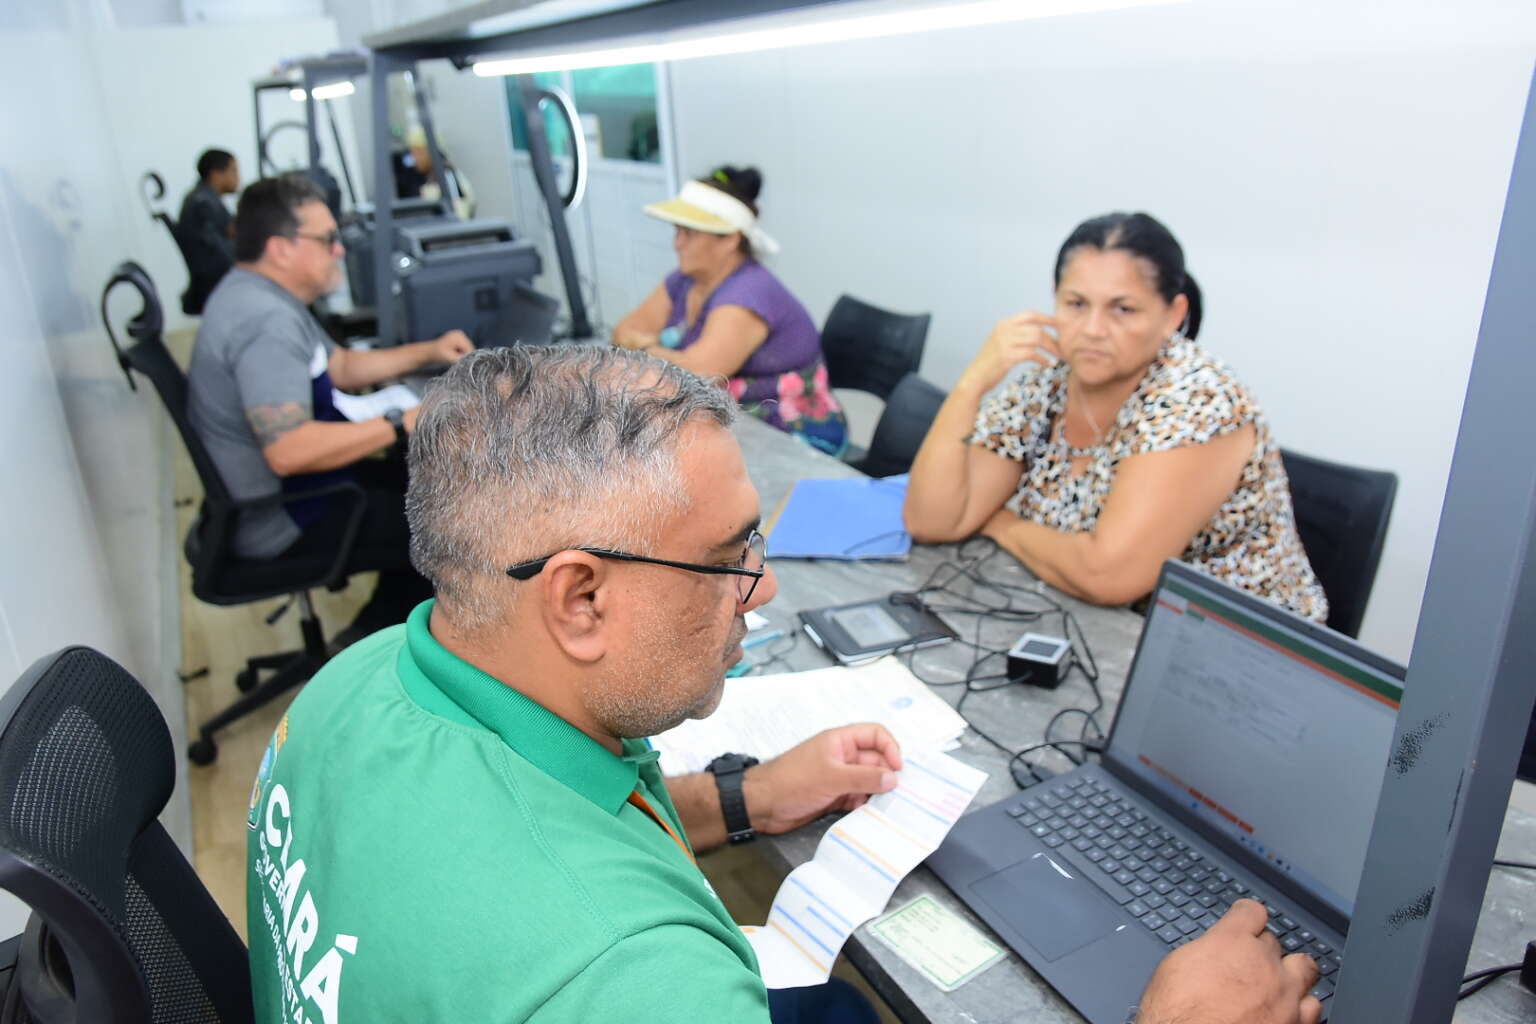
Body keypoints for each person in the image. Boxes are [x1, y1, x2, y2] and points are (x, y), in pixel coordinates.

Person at [244, 344, 1321, 1024]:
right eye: (728, 554)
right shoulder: (635, 981)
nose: (759, 589)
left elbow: (563, 801)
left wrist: (750, 796)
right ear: (578, 600)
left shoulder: (354, 682)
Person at [904, 212, 1327, 620]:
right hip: (1088, 622)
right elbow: (935, 519)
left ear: (1173, 315)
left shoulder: (1197, 400)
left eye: (1122, 309)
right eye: (1076, 304)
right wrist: (971, 384)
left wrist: (999, 523)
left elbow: (1106, 576)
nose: (1092, 329)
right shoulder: (1049, 380)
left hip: (1232, 650)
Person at [187, 172, 473, 648]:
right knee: (452, 521)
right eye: (327, 240)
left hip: (291, 497)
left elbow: (337, 366)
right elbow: (289, 450)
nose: (338, 250)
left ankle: (373, 629)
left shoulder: (258, 294)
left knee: (426, 490)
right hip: (284, 518)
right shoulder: (266, 323)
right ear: (281, 248)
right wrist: (402, 422)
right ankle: (386, 653)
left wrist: (429, 351)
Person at [613, 166, 849, 456]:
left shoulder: (750, 292)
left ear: (730, 239)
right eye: (677, 231)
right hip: (727, 421)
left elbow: (697, 374)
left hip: (790, 435)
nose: (677, 243)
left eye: (689, 233)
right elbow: (621, 333)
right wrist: (664, 354)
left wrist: (645, 346)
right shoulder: (685, 281)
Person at [176, 148, 240, 314]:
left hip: (214, 280)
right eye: (234, 171)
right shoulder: (204, 203)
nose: (238, 178)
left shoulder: (203, 198)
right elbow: (220, 252)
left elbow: (228, 230)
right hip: (216, 284)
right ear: (216, 174)